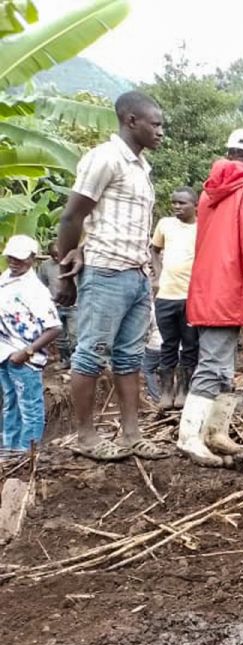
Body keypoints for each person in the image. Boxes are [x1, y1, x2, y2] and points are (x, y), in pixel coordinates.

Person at [54, 90, 169, 461]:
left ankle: (131, 435)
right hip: (105, 271)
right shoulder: (105, 159)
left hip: (134, 273)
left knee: (129, 358)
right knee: (89, 355)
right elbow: (72, 217)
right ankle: (86, 437)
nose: (161, 131)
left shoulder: (141, 167)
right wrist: (67, 275)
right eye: (156, 124)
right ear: (130, 120)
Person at [178, 129, 243, 467]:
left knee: (222, 366)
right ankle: (190, 438)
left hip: (208, 286)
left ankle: (216, 431)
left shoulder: (209, 192)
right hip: (229, 290)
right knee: (213, 365)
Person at [0, 235, 62, 451]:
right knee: (10, 403)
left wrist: (27, 351)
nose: (14, 262)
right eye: (11, 257)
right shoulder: (6, 277)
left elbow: (54, 327)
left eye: (19, 258)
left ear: (32, 259)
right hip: (5, 353)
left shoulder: (36, 291)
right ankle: (9, 449)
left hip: (23, 358)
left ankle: (27, 454)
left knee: (29, 407)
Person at [150, 187, 199, 411]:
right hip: (166, 295)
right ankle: (166, 391)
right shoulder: (165, 224)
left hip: (191, 296)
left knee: (190, 345)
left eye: (182, 203)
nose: (177, 207)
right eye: (174, 203)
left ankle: (184, 390)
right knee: (168, 344)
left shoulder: (202, 228)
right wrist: (158, 275)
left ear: (195, 205)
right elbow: (154, 250)